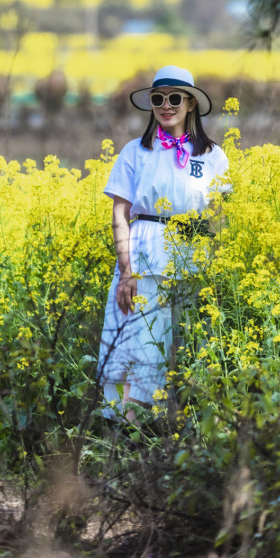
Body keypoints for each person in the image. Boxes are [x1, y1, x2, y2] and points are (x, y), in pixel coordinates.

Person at [97, 65, 230, 421]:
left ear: (190, 104)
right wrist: (126, 272)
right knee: (138, 347)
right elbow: (119, 215)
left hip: (192, 258)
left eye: (174, 98)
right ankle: (128, 437)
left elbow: (220, 218)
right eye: (158, 98)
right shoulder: (134, 152)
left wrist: (220, 270)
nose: (165, 105)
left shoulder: (213, 155)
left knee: (185, 348)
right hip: (143, 256)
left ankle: (176, 438)